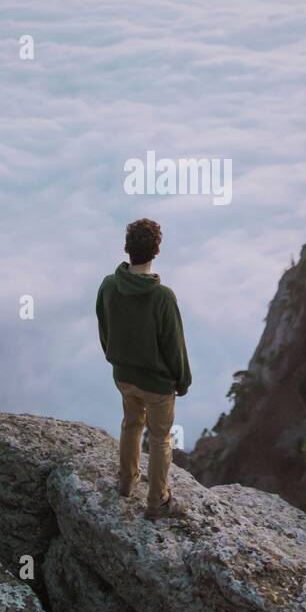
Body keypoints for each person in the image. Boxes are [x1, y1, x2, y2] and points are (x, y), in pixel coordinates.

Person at [96, 218, 192, 520]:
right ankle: (157, 502)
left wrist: (117, 359)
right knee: (161, 438)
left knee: (131, 425)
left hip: (124, 377)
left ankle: (126, 484)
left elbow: (104, 327)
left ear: (127, 248)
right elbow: (174, 346)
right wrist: (183, 381)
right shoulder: (162, 297)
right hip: (157, 385)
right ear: (157, 250)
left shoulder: (110, 285)